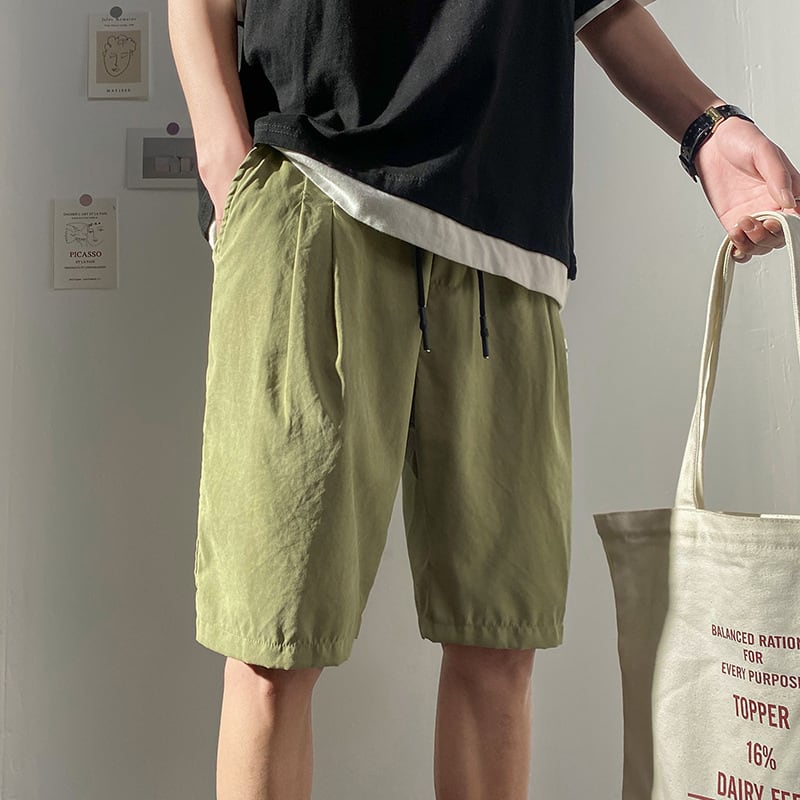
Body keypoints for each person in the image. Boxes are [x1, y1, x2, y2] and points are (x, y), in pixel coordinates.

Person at [168, 1, 800, 798]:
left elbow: (597, 7)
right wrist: (224, 159)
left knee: (500, 645)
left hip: (507, 229)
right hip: (311, 184)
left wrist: (707, 128)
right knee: (273, 645)